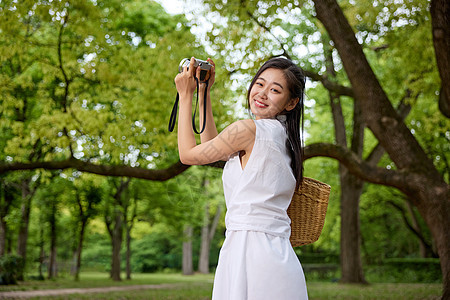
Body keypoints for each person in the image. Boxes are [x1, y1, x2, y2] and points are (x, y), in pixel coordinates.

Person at [174, 57, 308, 300]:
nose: (263, 94)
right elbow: (212, 147)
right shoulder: (284, 139)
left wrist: (185, 95)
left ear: (291, 102)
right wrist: (203, 92)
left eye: (275, 90)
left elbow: (187, 155)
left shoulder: (248, 130)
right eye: (260, 84)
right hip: (278, 255)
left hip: (250, 253)